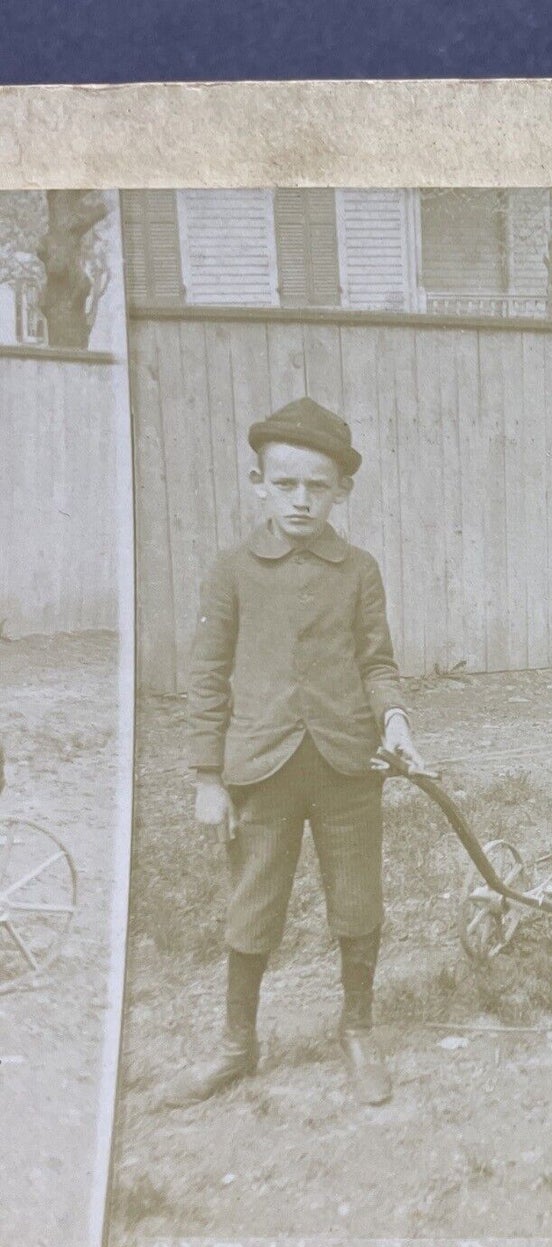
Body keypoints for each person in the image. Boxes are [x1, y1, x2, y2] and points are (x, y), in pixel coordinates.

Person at [165, 397, 426, 1110]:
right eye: (285, 484)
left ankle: (357, 1028)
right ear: (259, 485)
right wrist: (206, 777)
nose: (302, 500)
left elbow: (377, 662)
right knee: (253, 904)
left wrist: (395, 719)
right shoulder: (233, 570)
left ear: (342, 490)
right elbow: (207, 676)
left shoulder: (358, 570)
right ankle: (236, 1044)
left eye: (318, 486)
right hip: (261, 769)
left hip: (348, 766)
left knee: (356, 900)